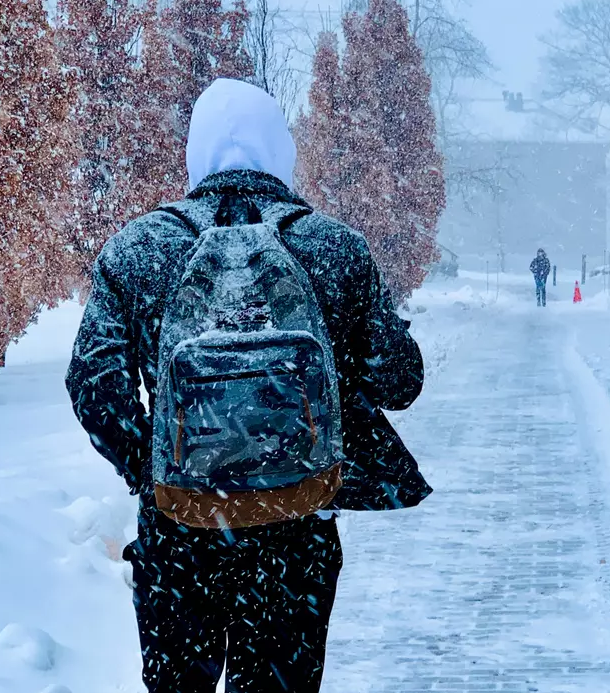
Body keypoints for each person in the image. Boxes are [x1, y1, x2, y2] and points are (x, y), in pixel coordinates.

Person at [65, 77, 431, 693]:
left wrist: (156, 470)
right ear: (279, 151)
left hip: (180, 533)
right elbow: (400, 380)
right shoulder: (335, 248)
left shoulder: (137, 251)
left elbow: (94, 385)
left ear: (196, 152)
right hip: (297, 531)